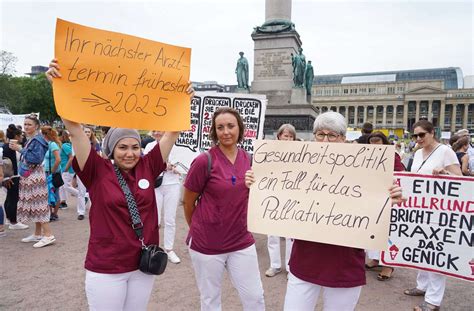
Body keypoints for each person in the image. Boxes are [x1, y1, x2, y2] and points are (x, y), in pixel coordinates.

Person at [46, 58, 194, 310]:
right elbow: (75, 130)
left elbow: (172, 132)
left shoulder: (149, 165)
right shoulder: (97, 170)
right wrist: (61, 89)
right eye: (123, 147)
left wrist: (183, 100)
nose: (130, 153)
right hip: (107, 267)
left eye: (135, 147)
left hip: (142, 265)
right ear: (112, 150)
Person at [245, 111, 403, 311]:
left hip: (344, 263)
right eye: (320, 134)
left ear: (344, 139)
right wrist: (257, 182)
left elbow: (377, 207)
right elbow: (275, 190)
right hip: (306, 259)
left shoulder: (367, 169)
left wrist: (391, 198)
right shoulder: (296, 165)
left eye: (332, 135)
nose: (325, 140)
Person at [183, 107, 265, 310]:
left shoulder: (251, 159)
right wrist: (199, 228)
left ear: (240, 128)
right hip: (207, 244)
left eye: (230, 126)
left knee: (255, 297)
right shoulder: (204, 161)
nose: (226, 131)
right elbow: (188, 202)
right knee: (210, 300)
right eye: (220, 127)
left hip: (241, 240)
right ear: (214, 131)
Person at [404, 120, 461, 311]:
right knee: (421, 249)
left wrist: (445, 173)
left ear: (432, 133)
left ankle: (433, 300)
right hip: (420, 210)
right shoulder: (418, 153)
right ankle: (422, 286)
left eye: (422, 135)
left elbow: (460, 180)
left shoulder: (445, 151)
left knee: (436, 252)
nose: (418, 139)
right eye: (415, 136)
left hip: (440, 211)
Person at [365, 131, 405, 281]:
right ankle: (376, 259)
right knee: (373, 229)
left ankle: (389, 265)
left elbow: (402, 174)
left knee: (387, 232)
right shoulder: (366, 156)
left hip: (389, 198)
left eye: (379, 146)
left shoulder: (393, 157)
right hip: (372, 198)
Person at [10, 114, 53, 248]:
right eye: (25, 124)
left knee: (39, 205)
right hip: (31, 176)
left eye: (29, 124)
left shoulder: (37, 140)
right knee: (35, 205)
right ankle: (38, 233)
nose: (26, 126)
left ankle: (48, 235)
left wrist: (20, 149)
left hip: (35, 177)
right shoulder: (33, 139)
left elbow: (36, 158)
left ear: (36, 126)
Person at [143, 130, 182, 264]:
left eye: (159, 129)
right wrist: (166, 166)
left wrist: (170, 166)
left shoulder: (177, 146)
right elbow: (147, 165)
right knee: (155, 219)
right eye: (154, 130)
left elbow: (181, 165)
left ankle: (169, 249)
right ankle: (154, 246)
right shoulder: (149, 146)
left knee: (170, 219)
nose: (157, 132)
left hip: (173, 185)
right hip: (155, 186)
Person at [265, 124, 296, 277]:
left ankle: (291, 267)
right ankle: (275, 265)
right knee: (272, 233)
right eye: (286, 135)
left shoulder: (299, 154)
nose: (288, 139)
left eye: (291, 136)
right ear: (278, 136)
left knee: (291, 234)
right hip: (273, 196)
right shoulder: (270, 152)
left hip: (291, 197)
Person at [3, 124, 29, 230]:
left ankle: (10, 219)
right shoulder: (12, 147)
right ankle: (13, 222)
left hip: (10, 175)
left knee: (9, 198)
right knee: (13, 198)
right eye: (21, 135)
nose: (22, 137)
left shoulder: (6, 145)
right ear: (17, 136)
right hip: (13, 176)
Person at [42, 126, 62, 221]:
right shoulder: (48, 144)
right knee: (48, 193)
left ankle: (54, 214)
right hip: (48, 172)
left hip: (53, 173)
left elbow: (58, 159)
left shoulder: (52, 144)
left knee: (54, 192)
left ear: (45, 134)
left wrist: (52, 171)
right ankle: (50, 213)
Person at [58, 130, 80, 216]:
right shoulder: (66, 145)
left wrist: (65, 168)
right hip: (66, 169)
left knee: (66, 186)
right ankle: (63, 202)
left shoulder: (64, 146)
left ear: (61, 136)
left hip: (67, 169)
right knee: (63, 187)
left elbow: (71, 158)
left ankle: (84, 196)